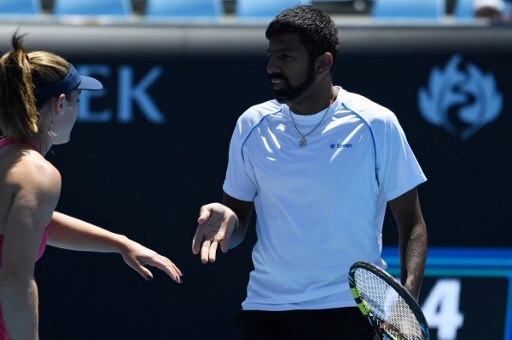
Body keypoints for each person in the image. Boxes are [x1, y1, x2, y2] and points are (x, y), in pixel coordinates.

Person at [192, 5, 427, 340]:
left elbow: (412, 224)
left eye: (286, 57)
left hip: (351, 312)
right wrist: (228, 219)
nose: (272, 67)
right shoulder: (251, 125)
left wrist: (405, 305)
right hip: (267, 310)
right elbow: (239, 223)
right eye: (271, 55)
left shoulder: (375, 124)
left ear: (323, 64)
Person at [0, 32, 183, 340]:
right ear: (60, 104)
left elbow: (28, 224)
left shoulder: (5, 156)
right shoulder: (38, 174)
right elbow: (15, 277)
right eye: (78, 101)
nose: (77, 110)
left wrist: (119, 242)